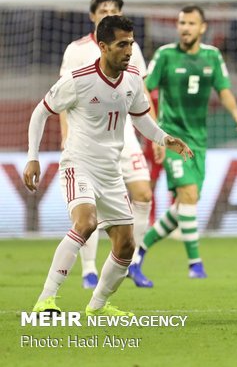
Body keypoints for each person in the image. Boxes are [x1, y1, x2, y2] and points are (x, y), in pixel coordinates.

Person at [25, 16, 193, 315]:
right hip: (79, 164)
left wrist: (164, 138)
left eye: (131, 43)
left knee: (126, 245)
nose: (128, 50)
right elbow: (41, 112)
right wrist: (33, 156)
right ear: (102, 46)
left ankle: (97, 306)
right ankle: (45, 300)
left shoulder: (131, 79)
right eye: (121, 45)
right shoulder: (78, 80)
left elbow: (141, 117)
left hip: (111, 172)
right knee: (86, 223)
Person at [129, 4, 237, 286]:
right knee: (188, 195)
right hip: (173, 138)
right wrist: (156, 133)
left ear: (202, 28)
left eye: (191, 23)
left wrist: (236, 112)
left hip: (199, 140)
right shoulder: (165, 55)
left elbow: (223, 89)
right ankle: (195, 264)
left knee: (186, 203)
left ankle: (136, 256)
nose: (185, 28)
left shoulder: (212, 56)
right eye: (182, 23)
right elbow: (145, 88)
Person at [59, 0, 154, 289]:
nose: (108, 12)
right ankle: (89, 269)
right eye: (103, 9)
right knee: (91, 211)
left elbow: (142, 91)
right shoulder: (76, 50)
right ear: (93, 16)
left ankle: (133, 262)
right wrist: (66, 136)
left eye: (113, 8)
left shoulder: (130, 48)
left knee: (144, 194)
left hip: (124, 135)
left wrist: (156, 134)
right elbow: (62, 99)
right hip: (89, 139)